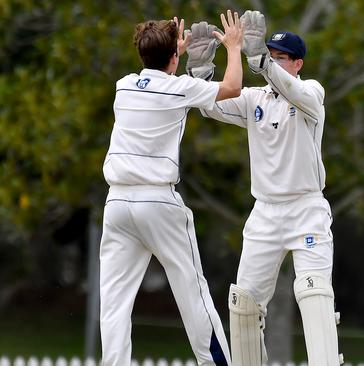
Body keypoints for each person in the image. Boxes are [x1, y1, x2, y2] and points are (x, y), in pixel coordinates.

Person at [186, 10, 342, 366]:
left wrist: (259, 62)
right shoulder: (256, 99)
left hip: (307, 210)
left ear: (298, 64)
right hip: (265, 214)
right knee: (244, 304)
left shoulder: (310, 93)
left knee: (315, 295)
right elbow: (213, 107)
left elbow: (301, 95)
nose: (271, 62)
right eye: (268, 55)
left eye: (279, 58)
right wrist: (199, 73)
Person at [99, 11, 243, 366]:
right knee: (193, 293)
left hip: (116, 202)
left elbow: (156, 72)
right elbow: (232, 89)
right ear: (174, 58)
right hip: (157, 200)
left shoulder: (123, 85)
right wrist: (235, 48)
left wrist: (170, 52)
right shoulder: (177, 87)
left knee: (114, 304)